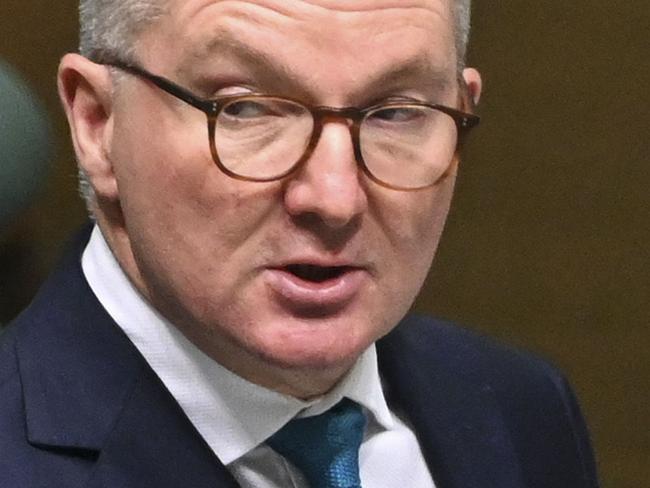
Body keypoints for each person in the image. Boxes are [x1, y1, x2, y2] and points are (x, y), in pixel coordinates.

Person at [0, 0, 599, 487]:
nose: (335, 198)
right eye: (248, 108)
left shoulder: (522, 411)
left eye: (397, 113)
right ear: (98, 123)